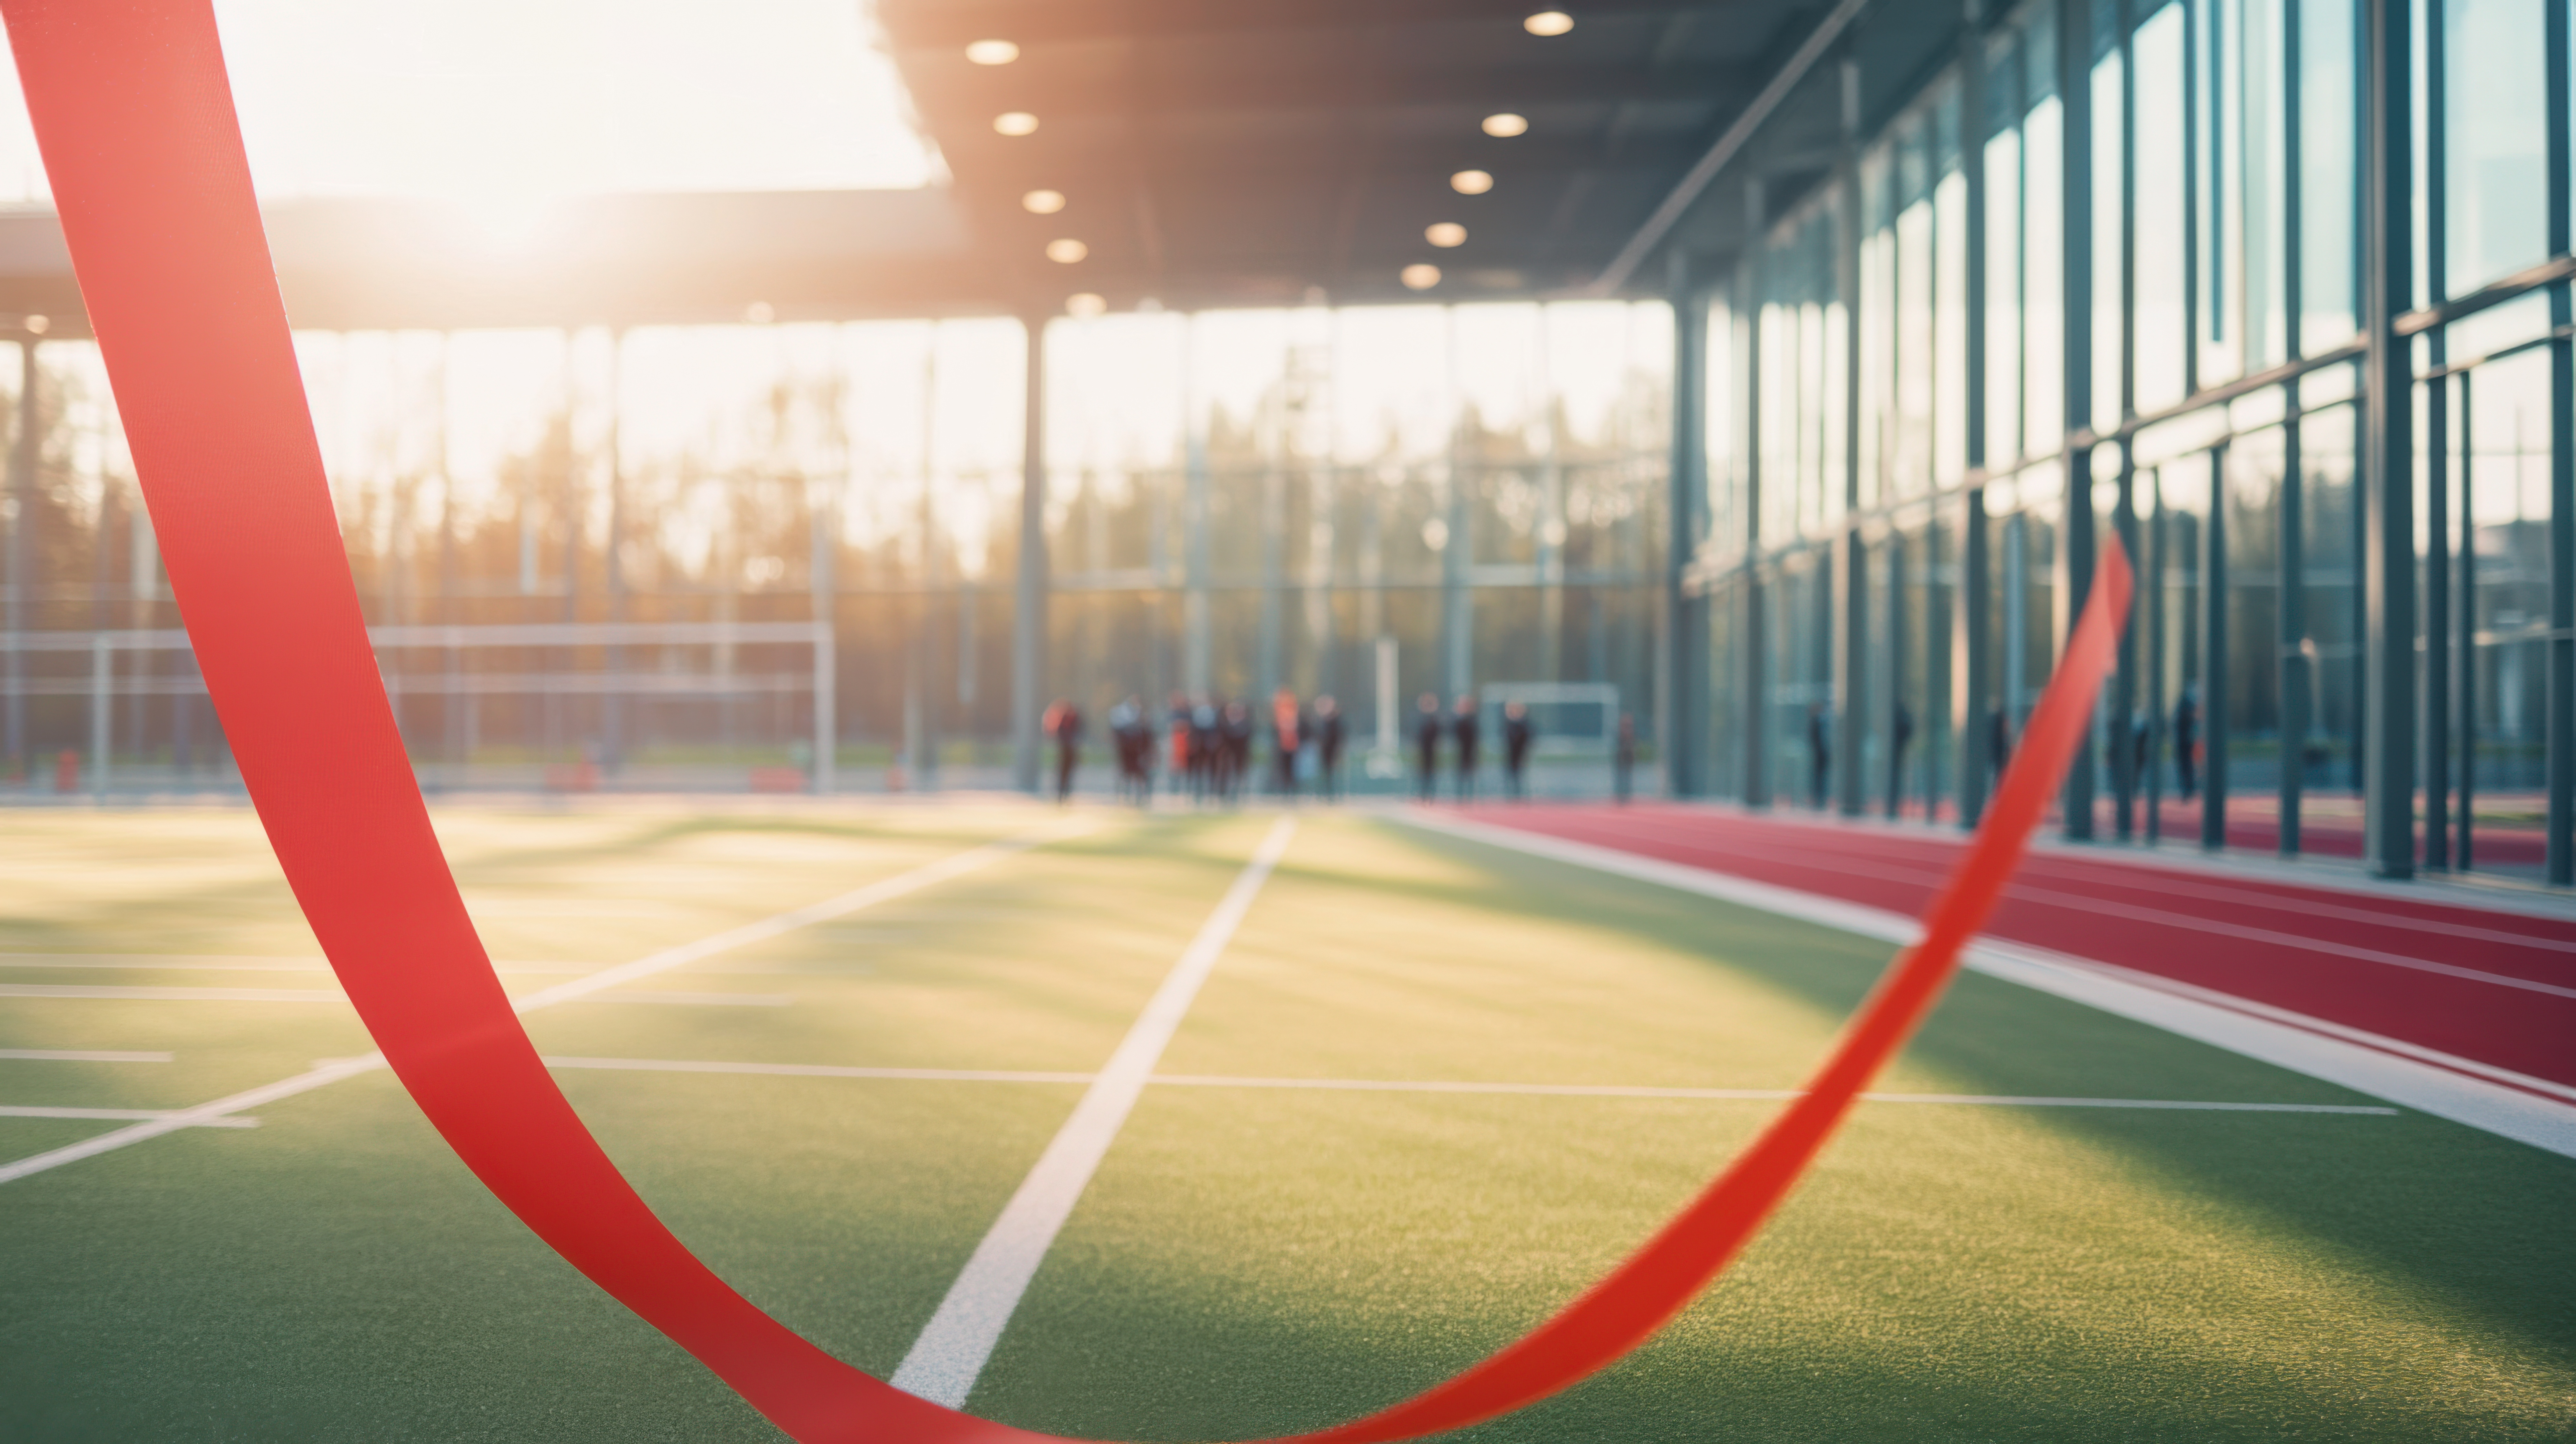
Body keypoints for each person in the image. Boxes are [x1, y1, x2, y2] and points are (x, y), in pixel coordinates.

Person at [1044, 698, 1084, 802]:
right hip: (1065, 749)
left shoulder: (1075, 719)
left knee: (1068, 773)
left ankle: (1065, 793)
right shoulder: (1066, 719)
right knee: (1063, 773)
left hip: (1070, 750)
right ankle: (1061, 794)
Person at [1271, 687, 1302, 796]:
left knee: (1292, 768)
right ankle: (1283, 789)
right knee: (1282, 768)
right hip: (1281, 745)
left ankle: (1292, 789)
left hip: (1292, 744)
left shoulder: (1293, 710)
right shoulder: (1278, 711)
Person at [1313, 695, 1345, 800]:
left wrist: (1339, 750)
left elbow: (1340, 736)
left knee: (1334, 773)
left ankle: (1334, 795)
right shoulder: (1322, 721)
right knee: (1325, 773)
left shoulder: (1336, 720)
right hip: (1324, 751)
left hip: (1334, 750)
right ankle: (1326, 794)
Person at [1501, 700, 1534, 800]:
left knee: (1521, 775)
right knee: (1509, 775)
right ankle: (1510, 795)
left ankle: (1521, 795)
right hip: (1510, 754)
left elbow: (1528, 737)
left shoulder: (1525, 723)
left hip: (1521, 753)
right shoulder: (1508, 723)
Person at [1451, 693, 1481, 801]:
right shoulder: (1457, 720)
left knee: (1470, 777)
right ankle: (1460, 797)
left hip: (1470, 753)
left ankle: (1470, 797)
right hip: (1460, 753)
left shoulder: (1473, 720)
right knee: (1461, 777)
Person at [1414, 692, 1443, 800]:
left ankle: (1431, 794)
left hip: (1432, 751)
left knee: (1431, 774)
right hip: (1423, 751)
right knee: (1422, 774)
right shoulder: (1420, 718)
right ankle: (1423, 794)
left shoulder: (1435, 719)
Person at [2174, 686, 2199, 800]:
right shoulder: (2187, 707)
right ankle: (2188, 788)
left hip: (2185, 740)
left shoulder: (2184, 707)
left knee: (2186, 766)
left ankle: (2188, 788)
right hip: (2186, 740)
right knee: (2186, 766)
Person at [1805, 702, 1831, 808]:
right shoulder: (1816, 723)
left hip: (1821, 755)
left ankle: (1820, 798)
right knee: (1819, 778)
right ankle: (1818, 798)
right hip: (1819, 755)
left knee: (1820, 777)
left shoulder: (1820, 723)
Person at [1613, 711, 1636, 803]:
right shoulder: (1620, 734)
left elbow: (1634, 747)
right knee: (1621, 777)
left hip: (1628, 759)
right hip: (1621, 759)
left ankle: (1626, 795)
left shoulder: (1632, 734)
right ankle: (1621, 794)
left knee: (1627, 778)